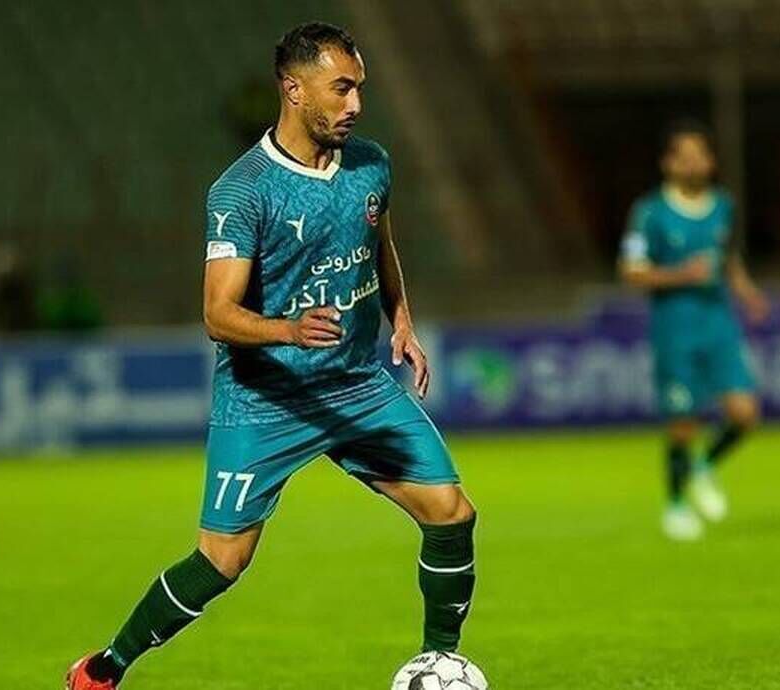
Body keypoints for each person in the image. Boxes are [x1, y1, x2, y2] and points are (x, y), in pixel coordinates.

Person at [66, 22, 477, 689]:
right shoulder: (243, 191)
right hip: (266, 398)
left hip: (355, 384)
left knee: (452, 512)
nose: (355, 104)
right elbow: (217, 314)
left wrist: (401, 318)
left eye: (359, 88)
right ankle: (104, 669)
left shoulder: (371, 164)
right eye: (340, 88)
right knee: (221, 561)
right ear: (294, 88)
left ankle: (440, 660)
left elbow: (380, 244)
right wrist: (288, 330)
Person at [619, 119, 769, 541]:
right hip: (675, 328)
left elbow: (728, 259)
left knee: (745, 414)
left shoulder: (723, 206)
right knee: (683, 423)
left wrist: (747, 292)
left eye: (700, 155)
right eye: (684, 157)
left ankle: (704, 466)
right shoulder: (649, 213)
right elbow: (631, 271)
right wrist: (681, 275)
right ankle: (676, 505)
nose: (694, 163)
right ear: (668, 163)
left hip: (719, 323)